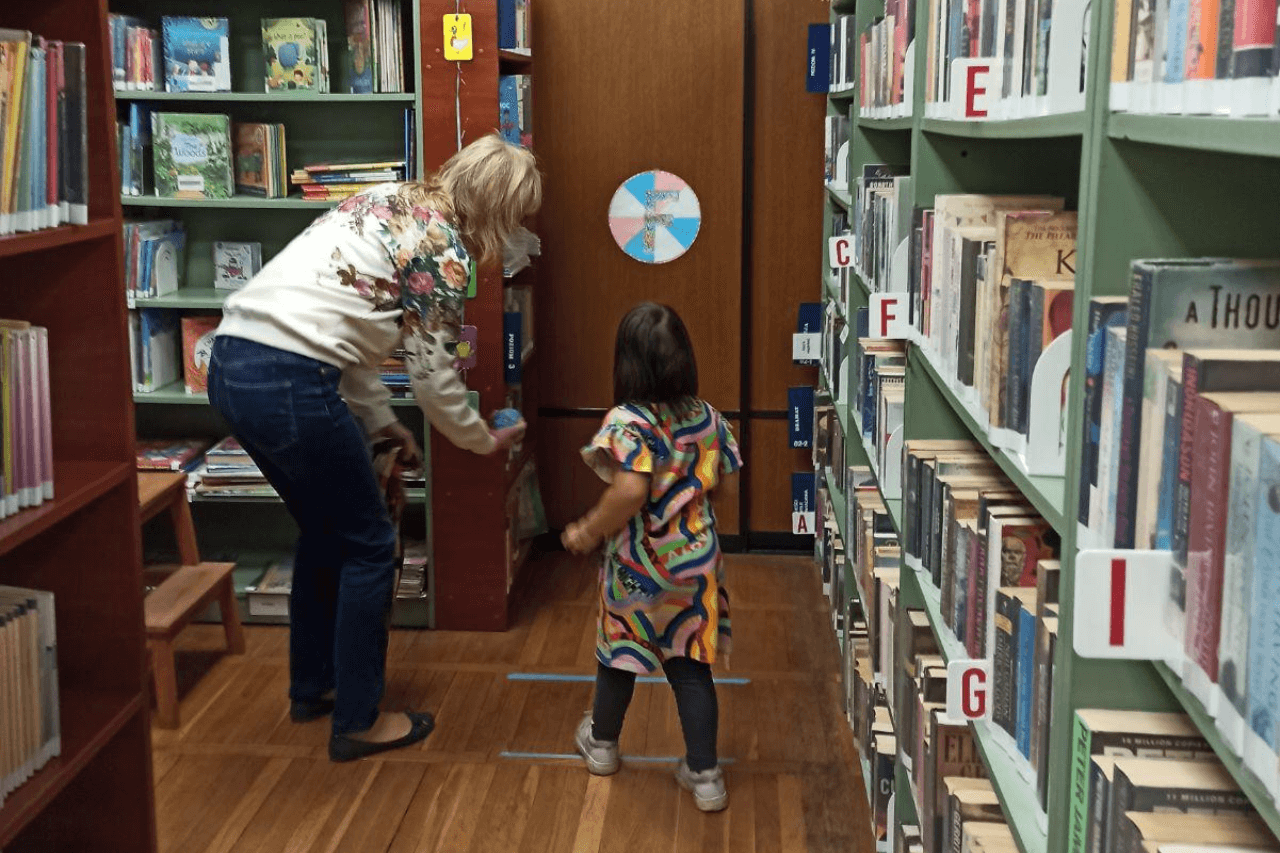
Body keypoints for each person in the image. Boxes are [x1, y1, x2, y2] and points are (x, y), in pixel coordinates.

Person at [206, 133, 540, 762]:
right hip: (289, 380)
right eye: (516, 217)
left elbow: (349, 336)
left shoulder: (383, 199)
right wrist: (480, 439)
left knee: (326, 533)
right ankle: (359, 722)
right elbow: (436, 381)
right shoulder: (443, 251)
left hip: (231, 364)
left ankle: (315, 688)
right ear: (499, 211)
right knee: (370, 545)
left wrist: (384, 425)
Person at [561, 302, 743, 812]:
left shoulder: (628, 423)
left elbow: (629, 491)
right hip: (697, 564)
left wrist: (585, 529)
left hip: (638, 567)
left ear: (626, 364)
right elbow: (722, 489)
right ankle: (705, 775)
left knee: (619, 655)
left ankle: (602, 744)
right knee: (690, 663)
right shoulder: (708, 418)